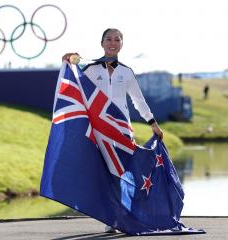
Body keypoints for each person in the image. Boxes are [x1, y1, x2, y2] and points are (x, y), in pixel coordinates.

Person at [62, 28, 163, 233]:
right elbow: (76, 90)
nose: (112, 42)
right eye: (108, 39)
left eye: (117, 39)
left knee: (122, 172)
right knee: (106, 173)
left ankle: (123, 215)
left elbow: (138, 101)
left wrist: (152, 122)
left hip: (122, 130)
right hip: (99, 131)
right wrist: (68, 63)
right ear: (102, 43)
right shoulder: (90, 69)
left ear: (121, 44)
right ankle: (112, 217)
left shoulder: (126, 72)